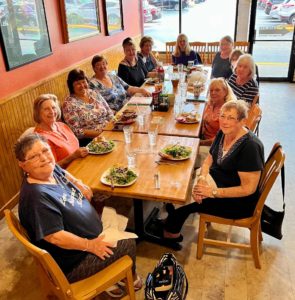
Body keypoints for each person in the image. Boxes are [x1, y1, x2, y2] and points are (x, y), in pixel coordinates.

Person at [15, 134, 142, 296]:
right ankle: (132, 280)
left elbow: (63, 173)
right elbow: (55, 237)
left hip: (86, 241)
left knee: (117, 215)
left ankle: (114, 278)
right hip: (74, 262)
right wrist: (90, 245)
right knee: (129, 242)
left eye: (45, 150)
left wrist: (78, 183)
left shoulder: (49, 170)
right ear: (23, 165)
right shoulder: (37, 198)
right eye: (33, 156)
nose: (43, 158)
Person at [163, 100, 264, 241]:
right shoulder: (224, 133)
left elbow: (248, 189)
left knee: (185, 200)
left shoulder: (250, 146)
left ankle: (171, 234)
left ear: (242, 121)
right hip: (219, 180)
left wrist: (212, 192)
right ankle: (171, 221)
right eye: (222, 116)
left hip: (238, 202)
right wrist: (202, 179)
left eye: (231, 118)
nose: (225, 121)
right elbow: (209, 159)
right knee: (181, 187)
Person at [33, 94, 88, 168]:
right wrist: (73, 156)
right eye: (46, 109)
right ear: (38, 113)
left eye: (53, 108)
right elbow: (51, 168)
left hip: (82, 165)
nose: (52, 112)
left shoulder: (62, 125)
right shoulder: (40, 139)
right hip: (66, 175)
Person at [62, 69, 114, 146]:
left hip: (109, 131)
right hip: (92, 140)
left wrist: (113, 127)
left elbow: (109, 113)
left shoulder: (93, 93)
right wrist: (102, 133)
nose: (82, 85)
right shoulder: (69, 104)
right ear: (71, 86)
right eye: (78, 84)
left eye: (83, 82)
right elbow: (77, 131)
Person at [200, 78, 237, 146]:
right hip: (203, 138)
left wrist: (201, 142)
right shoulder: (210, 103)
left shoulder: (228, 111)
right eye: (211, 90)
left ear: (225, 91)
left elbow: (222, 138)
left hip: (215, 146)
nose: (213, 93)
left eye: (217, 90)